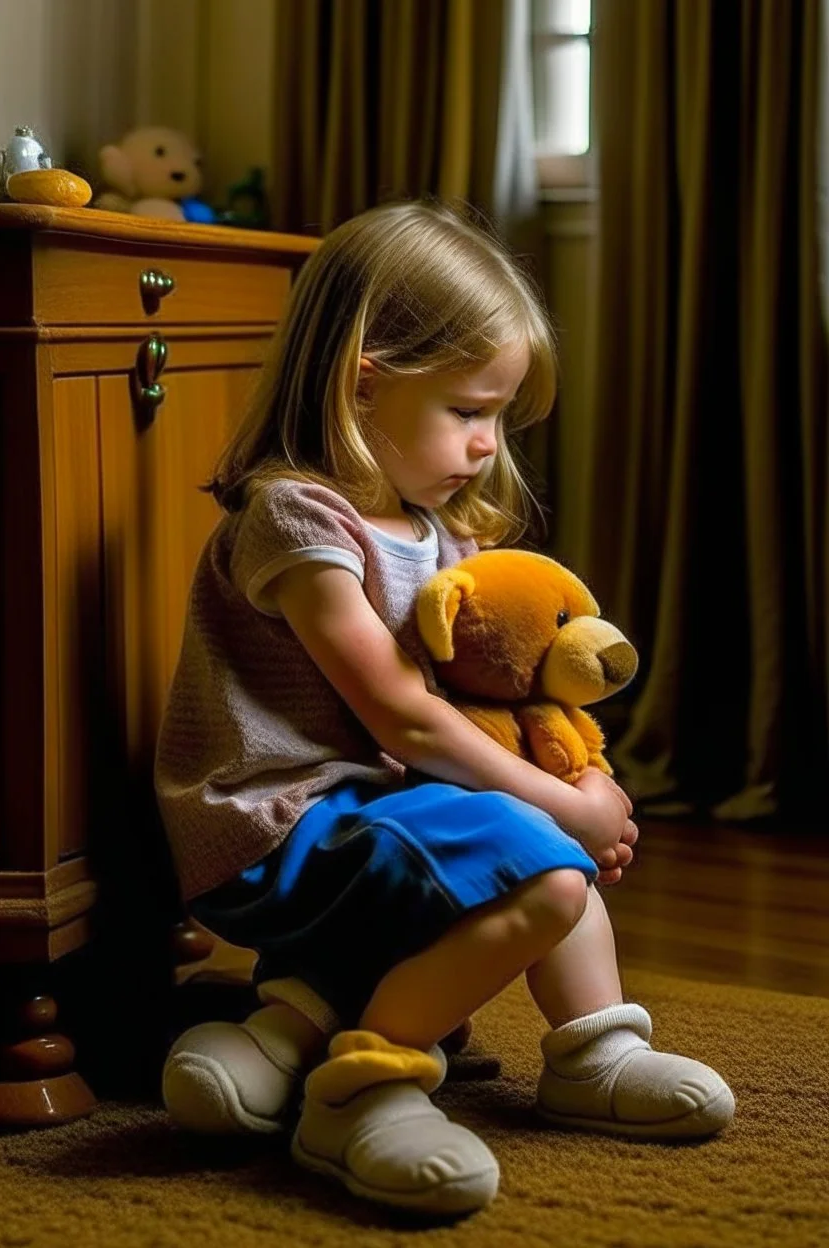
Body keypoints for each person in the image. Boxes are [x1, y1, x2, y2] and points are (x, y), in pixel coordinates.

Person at [155, 198, 735, 1217]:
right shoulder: (296, 516)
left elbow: (473, 697)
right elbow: (403, 717)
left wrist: (570, 771)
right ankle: (365, 1083)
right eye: (468, 410)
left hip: (383, 802)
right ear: (362, 380)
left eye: (498, 416)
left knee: (539, 840)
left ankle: (592, 1050)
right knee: (545, 872)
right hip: (283, 821)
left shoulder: (433, 525)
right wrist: (555, 812)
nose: (485, 443)